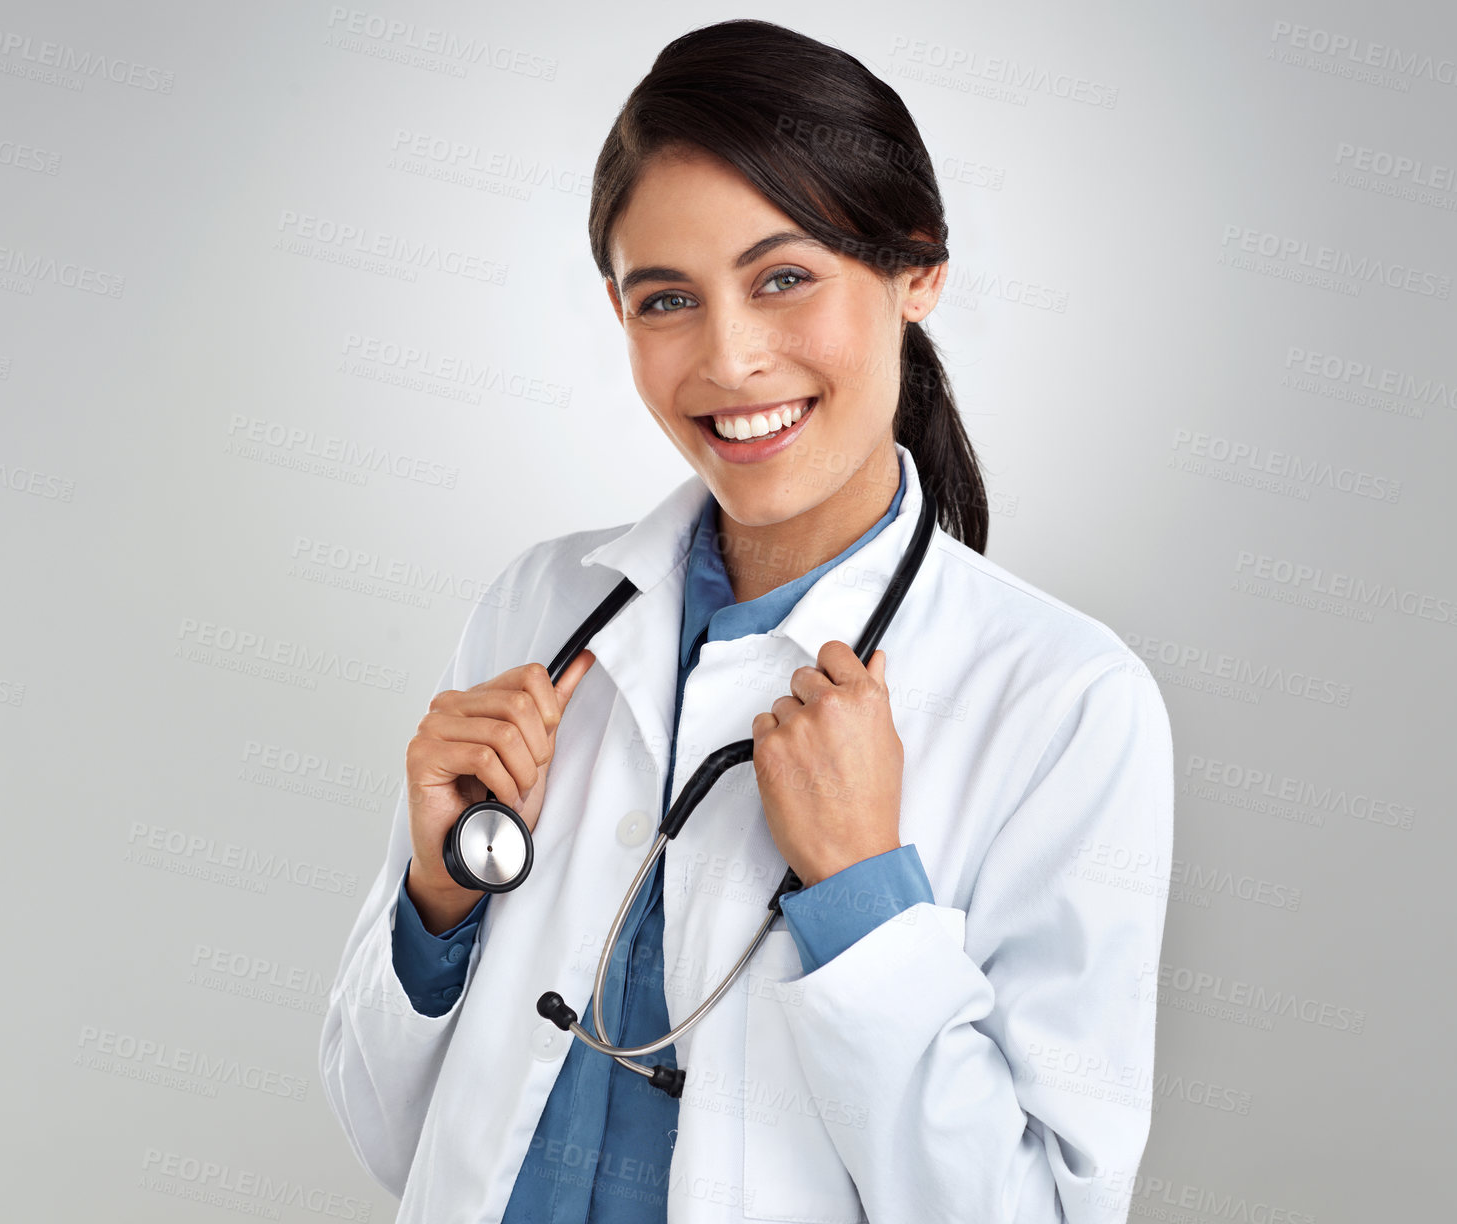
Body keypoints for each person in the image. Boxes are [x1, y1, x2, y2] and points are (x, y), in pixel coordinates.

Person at [319, 18, 1174, 1224]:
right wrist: (438, 895)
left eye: (784, 277)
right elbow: (387, 1132)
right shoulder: (539, 608)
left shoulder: (1067, 702)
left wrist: (866, 896)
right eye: (667, 298)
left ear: (917, 267)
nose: (729, 358)